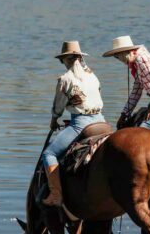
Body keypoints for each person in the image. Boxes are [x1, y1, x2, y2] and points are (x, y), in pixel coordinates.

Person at [41, 41, 105, 207]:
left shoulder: (65, 79)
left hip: (81, 123)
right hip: (101, 121)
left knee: (49, 154)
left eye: (62, 60)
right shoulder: (93, 75)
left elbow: (58, 106)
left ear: (66, 60)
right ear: (80, 58)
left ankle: (56, 195)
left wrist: (54, 120)